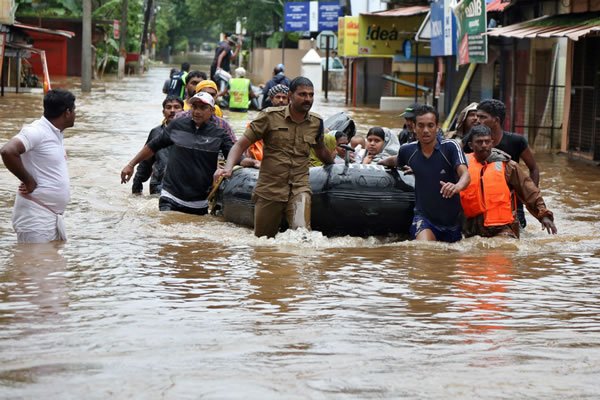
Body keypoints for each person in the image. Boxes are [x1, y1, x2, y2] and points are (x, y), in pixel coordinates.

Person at [215, 76, 335, 238]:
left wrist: (335, 165)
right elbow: (240, 145)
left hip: (299, 187)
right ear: (290, 96)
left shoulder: (316, 122)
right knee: (264, 241)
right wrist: (228, 168)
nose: (308, 99)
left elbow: (321, 150)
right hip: (269, 189)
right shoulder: (269, 117)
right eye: (303, 94)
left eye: (311, 95)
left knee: (302, 235)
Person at [121, 92, 233, 215]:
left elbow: (234, 155)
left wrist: (238, 165)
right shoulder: (177, 126)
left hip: (199, 202)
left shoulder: (219, 134)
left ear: (212, 110)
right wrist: (131, 165)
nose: (197, 111)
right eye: (194, 107)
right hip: (170, 196)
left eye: (202, 108)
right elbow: (152, 147)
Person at [379, 104, 470, 243]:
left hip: (452, 222)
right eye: (421, 126)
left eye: (430, 125)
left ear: (437, 127)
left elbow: (465, 175)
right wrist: (376, 162)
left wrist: (457, 187)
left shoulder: (450, 147)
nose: (425, 130)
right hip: (424, 219)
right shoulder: (407, 150)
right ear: (414, 127)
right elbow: (395, 160)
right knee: (425, 251)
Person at [0, 89, 76, 243]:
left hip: (52, 216)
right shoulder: (37, 131)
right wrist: (28, 181)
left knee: (51, 265)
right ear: (67, 112)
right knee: (34, 265)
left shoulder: (55, 133)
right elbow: (8, 151)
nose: (75, 114)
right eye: (74, 110)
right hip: (35, 216)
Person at [460, 125, 557, 238]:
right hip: (470, 228)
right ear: (471, 145)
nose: (484, 145)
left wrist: (543, 215)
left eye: (487, 141)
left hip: (501, 228)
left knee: (505, 247)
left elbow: (529, 190)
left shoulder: (508, 166)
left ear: (492, 142)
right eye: (479, 142)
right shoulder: (461, 165)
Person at [469, 99, 540, 229]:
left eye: (482, 117)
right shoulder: (472, 142)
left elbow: (534, 168)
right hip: (481, 204)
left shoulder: (516, 141)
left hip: (512, 204)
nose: (477, 120)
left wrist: (528, 197)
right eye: (476, 116)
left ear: (496, 120)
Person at [131, 95, 184, 195]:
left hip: (182, 185)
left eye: (177, 107)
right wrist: (137, 185)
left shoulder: (190, 132)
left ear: (183, 111)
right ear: (163, 112)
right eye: (168, 107)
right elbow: (146, 161)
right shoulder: (156, 132)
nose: (172, 110)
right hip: (158, 185)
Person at [241, 84, 290, 168]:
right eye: (278, 97)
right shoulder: (264, 116)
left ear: (289, 100)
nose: (281, 100)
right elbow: (247, 141)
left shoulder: (293, 118)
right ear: (271, 99)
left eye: (284, 97)